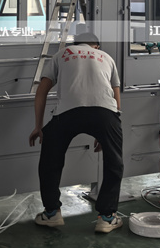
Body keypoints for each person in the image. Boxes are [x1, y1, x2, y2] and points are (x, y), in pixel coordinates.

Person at [29, 31, 124, 234]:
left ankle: (52, 213)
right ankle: (107, 218)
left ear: (75, 44)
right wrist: (106, 133)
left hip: (67, 113)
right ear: (96, 46)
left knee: (50, 160)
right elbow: (116, 99)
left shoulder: (62, 54)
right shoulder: (106, 57)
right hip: (105, 113)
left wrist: (39, 126)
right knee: (114, 162)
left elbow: (41, 91)